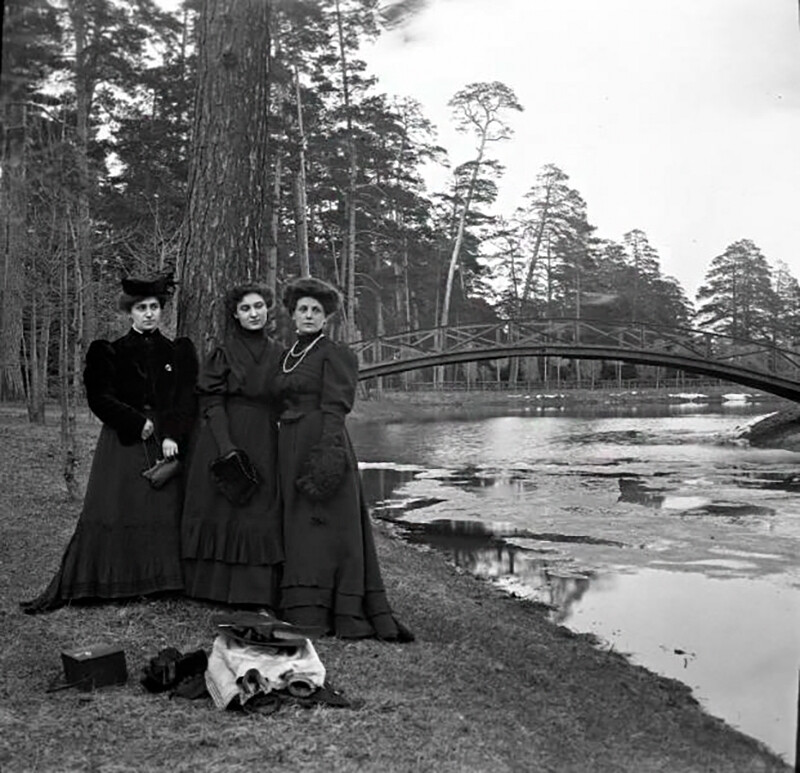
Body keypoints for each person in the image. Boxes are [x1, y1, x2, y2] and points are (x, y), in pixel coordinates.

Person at [22, 273, 198, 613]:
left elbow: (184, 397)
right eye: (141, 308)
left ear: (162, 311)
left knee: (162, 507)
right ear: (129, 313)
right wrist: (135, 421)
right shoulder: (110, 351)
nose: (148, 314)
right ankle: (114, 581)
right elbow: (99, 397)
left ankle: (161, 581)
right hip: (123, 439)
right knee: (118, 505)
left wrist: (173, 435)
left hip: (166, 439)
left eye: (155, 307)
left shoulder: (177, 351)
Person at [274, 276, 413, 641]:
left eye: (315, 311)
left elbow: (336, 408)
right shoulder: (287, 354)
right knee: (298, 526)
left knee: (327, 528)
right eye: (302, 309)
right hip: (288, 445)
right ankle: (299, 604)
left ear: (326, 318)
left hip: (322, 444)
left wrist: (326, 457)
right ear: (292, 314)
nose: (308, 315)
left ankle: (337, 609)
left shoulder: (334, 353)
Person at [181, 284, 283, 608]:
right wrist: (227, 447)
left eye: (258, 306)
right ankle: (210, 589)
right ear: (236, 315)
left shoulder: (281, 354)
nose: (253, 313)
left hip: (266, 439)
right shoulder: (224, 352)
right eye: (245, 309)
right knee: (221, 507)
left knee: (260, 506)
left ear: (268, 309)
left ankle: (254, 593)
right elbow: (211, 400)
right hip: (224, 435)